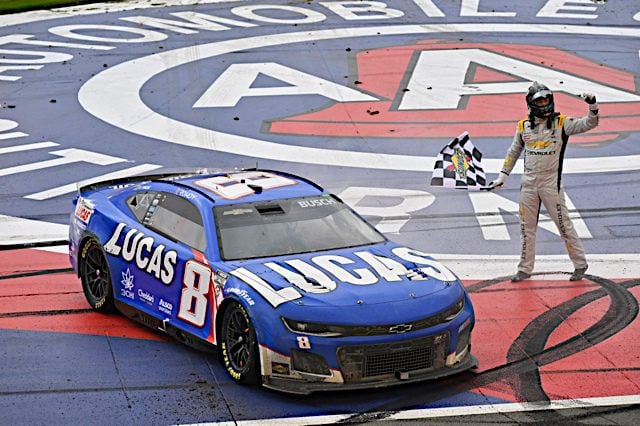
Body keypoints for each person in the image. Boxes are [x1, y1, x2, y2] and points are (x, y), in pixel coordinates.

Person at [489, 82, 599, 282]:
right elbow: (513, 151)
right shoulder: (523, 126)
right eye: (539, 100)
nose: (544, 103)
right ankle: (524, 269)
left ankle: (580, 264)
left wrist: (592, 106)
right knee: (525, 228)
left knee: (563, 225)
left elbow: (589, 124)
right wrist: (502, 176)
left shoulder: (562, 123)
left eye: (546, 99)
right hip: (528, 184)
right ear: (531, 103)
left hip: (551, 184)